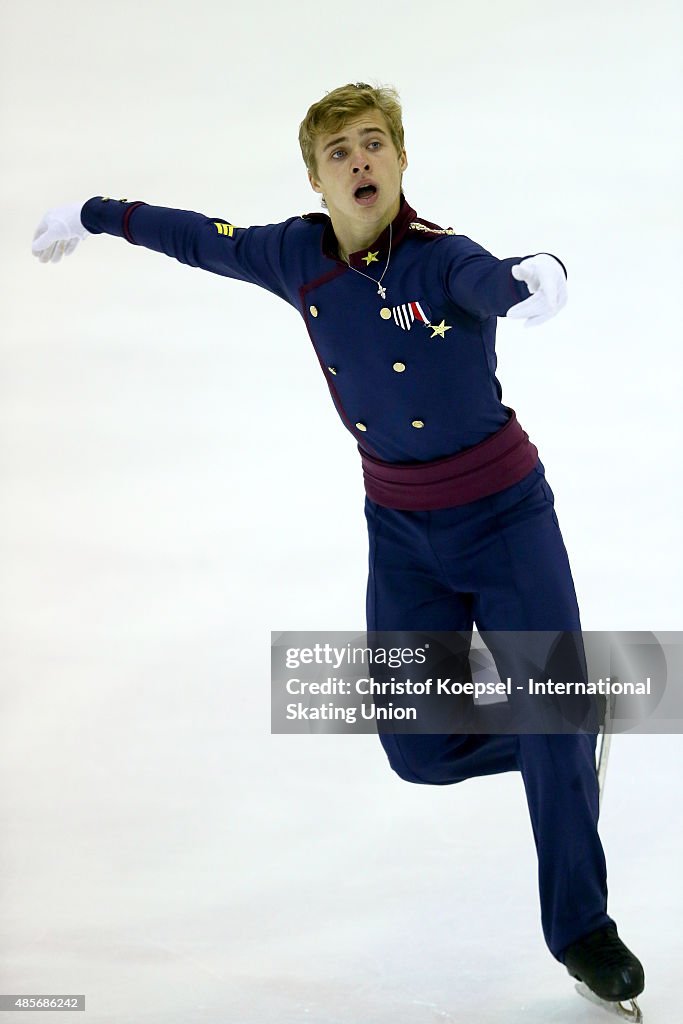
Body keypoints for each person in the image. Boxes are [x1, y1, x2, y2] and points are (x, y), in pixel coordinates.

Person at [32, 81, 644, 1013]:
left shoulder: (445, 263)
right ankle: (561, 737)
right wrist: (92, 213)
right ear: (316, 180)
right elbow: (197, 236)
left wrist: (535, 275)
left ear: (401, 160)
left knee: (551, 717)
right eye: (338, 152)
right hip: (399, 533)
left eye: (373, 144)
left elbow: (497, 276)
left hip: (507, 521)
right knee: (418, 751)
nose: (359, 161)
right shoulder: (295, 256)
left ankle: (583, 932)